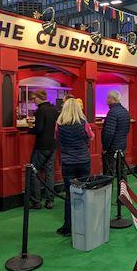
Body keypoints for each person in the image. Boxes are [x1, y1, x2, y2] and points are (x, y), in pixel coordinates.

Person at [56, 98, 94, 236]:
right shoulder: (83, 123)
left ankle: (67, 226)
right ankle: (85, 223)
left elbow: (57, 138)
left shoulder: (59, 124)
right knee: (84, 192)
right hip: (83, 161)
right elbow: (91, 136)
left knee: (69, 194)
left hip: (68, 162)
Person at [29, 89, 58, 211]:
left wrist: (30, 129)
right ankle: (49, 200)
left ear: (40, 98)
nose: (33, 101)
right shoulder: (54, 109)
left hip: (42, 145)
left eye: (34, 98)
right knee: (49, 172)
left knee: (34, 171)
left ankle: (36, 201)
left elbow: (39, 128)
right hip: (53, 144)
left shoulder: (40, 111)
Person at [101, 90, 130, 176]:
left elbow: (109, 133)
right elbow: (127, 130)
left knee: (109, 171)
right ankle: (123, 188)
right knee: (121, 170)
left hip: (112, 147)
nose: (106, 100)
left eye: (108, 98)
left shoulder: (112, 112)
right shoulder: (125, 111)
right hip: (122, 145)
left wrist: (105, 147)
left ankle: (108, 189)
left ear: (112, 99)